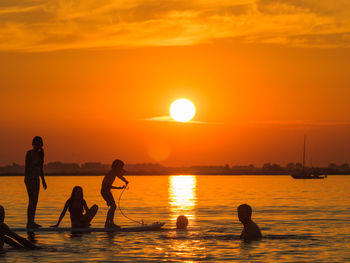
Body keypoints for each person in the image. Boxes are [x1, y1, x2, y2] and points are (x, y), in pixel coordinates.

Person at [24, 136, 47, 228]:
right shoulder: (29, 153)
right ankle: (29, 222)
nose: (37, 145)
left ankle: (32, 221)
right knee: (31, 201)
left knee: (35, 201)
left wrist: (43, 181)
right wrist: (33, 166)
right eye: (36, 143)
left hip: (36, 179)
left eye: (39, 143)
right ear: (33, 143)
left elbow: (41, 169)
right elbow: (27, 167)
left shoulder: (40, 154)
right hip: (30, 179)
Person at [101, 159, 129, 229]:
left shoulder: (114, 173)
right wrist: (118, 188)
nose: (121, 169)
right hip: (105, 191)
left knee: (113, 206)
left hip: (107, 191)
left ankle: (108, 223)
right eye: (120, 167)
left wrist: (125, 180)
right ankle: (109, 224)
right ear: (116, 167)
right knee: (113, 206)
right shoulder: (110, 174)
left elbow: (120, 176)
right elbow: (107, 186)